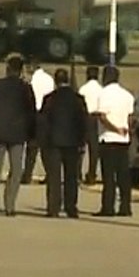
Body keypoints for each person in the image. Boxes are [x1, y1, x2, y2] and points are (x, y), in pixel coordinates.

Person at [0, 55, 37, 216]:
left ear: (7, 69)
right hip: (18, 134)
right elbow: (31, 112)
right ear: (21, 71)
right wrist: (32, 133)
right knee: (16, 170)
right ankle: (9, 205)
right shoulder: (25, 88)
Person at [38, 69, 89, 218]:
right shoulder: (78, 99)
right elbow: (83, 121)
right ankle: (71, 207)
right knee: (71, 176)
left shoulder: (49, 99)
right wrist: (82, 140)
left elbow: (43, 122)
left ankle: (53, 208)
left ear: (55, 81)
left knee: (54, 176)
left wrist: (42, 140)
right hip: (72, 141)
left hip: (53, 142)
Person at [95, 65, 136, 217]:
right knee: (123, 176)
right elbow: (130, 117)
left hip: (108, 139)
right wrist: (127, 129)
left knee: (109, 177)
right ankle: (125, 207)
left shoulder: (103, 94)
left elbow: (102, 117)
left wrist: (115, 129)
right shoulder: (127, 95)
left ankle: (108, 207)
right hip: (123, 140)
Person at [21, 61, 55, 184]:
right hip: (46, 113)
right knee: (46, 147)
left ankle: (27, 175)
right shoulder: (49, 79)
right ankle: (50, 174)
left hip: (35, 113)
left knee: (32, 147)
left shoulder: (32, 81)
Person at [78, 65, 104, 184]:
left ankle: (77, 173)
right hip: (96, 117)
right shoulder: (101, 90)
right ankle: (92, 174)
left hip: (84, 117)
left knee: (80, 147)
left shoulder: (83, 89)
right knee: (94, 149)